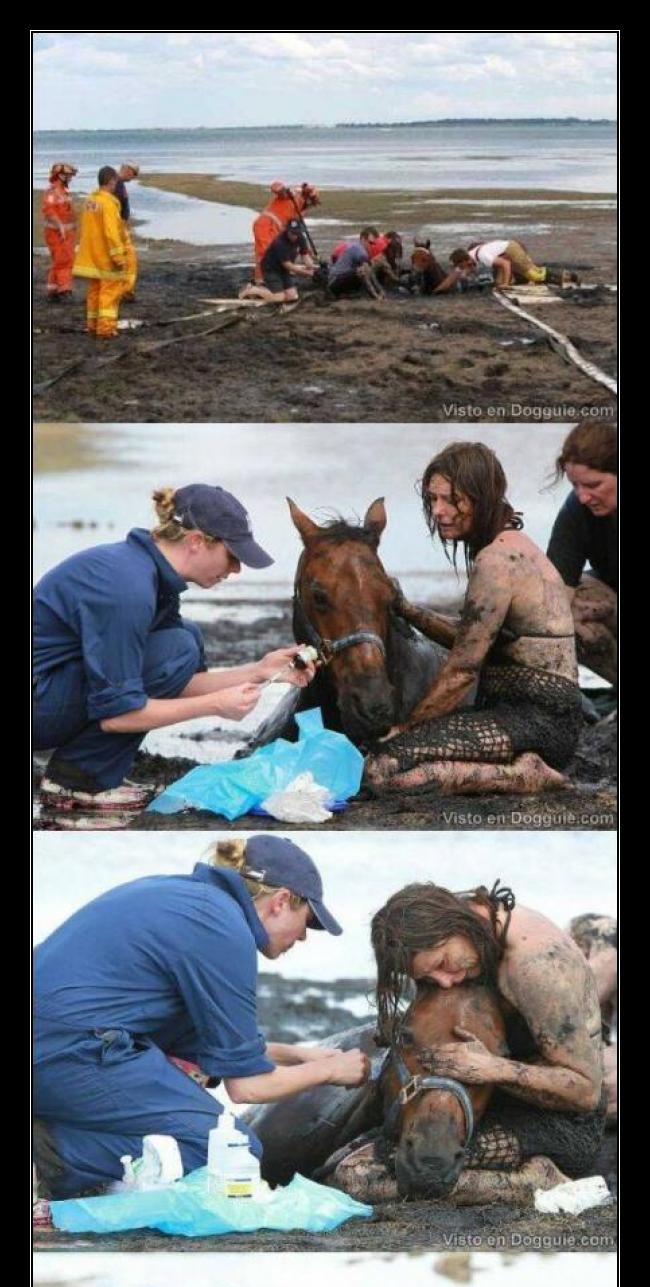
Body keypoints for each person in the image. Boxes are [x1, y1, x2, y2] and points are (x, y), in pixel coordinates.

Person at [33, 828, 369, 1199]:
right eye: (308, 921)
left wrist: (301, 1054)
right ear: (281, 901)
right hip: (67, 1051)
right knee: (228, 1152)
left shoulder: (189, 900)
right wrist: (331, 1070)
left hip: (59, 1043)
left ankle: (61, 1137)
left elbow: (223, 1048)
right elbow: (246, 1087)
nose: (304, 937)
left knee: (191, 1116)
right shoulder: (224, 932)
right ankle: (49, 1158)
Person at [34, 480, 309, 801]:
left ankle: (82, 772)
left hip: (46, 693)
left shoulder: (147, 574)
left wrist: (259, 671)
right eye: (232, 555)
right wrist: (215, 706)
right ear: (196, 541)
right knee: (177, 649)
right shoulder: (127, 589)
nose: (236, 569)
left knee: (183, 642)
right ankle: (79, 781)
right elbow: (117, 715)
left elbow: (176, 681)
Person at [371, 874, 607, 1187]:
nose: (446, 981)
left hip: (560, 1120)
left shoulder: (534, 967)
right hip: (496, 1096)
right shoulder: (463, 926)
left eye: (443, 963)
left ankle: (538, 1181)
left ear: (454, 925)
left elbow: (586, 1091)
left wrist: (491, 1068)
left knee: (375, 1174)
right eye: (430, 976)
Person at [386, 444, 581, 788]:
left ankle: (522, 775)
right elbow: (472, 639)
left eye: (451, 500)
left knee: (384, 768)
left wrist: (405, 730)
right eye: (433, 500)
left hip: (533, 722)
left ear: (482, 496)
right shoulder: (514, 544)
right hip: (545, 719)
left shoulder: (497, 560)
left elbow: (462, 670)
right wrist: (407, 609)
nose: (440, 511)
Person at [549, 425, 617, 681]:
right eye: (575, 485)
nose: (583, 497)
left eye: (593, 485)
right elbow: (557, 590)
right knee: (566, 609)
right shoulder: (577, 509)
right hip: (612, 597)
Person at [72, 162, 139, 340]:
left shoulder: (90, 201)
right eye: (115, 181)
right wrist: (119, 256)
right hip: (106, 257)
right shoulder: (108, 204)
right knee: (110, 293)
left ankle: (93, 325)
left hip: (92, 256)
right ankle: (106, 328)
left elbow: (87, 229)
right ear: (110, 181)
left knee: (94, 291)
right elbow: (111, 232)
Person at [249, 184, 319, 300]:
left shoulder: (301, 208)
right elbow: (275, 187)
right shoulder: (292, 196)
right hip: (266, 224)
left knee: (274, 255)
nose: (311, 204)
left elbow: (296, 229)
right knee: (264, 254)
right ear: (307, 196)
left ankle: (267, 283)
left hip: (277, 230)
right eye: (312, 201)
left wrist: (306, 249)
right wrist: (283, 189)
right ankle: (258, 285)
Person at [42, 163, 77, 295]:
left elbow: (67, 211)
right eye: (68, 175)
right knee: (64, 261)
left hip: (66, 233)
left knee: (60, 260)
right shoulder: (53, 191)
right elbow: (48, 210)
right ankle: (64, 288)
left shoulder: (64, 190)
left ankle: (53, 287)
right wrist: (60, 226)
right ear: (60, 175)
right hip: (56, 233)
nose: (70, 178)